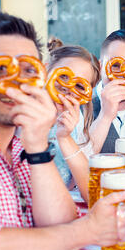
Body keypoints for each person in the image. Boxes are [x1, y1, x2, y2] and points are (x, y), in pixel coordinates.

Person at [0, 12, 125, 250]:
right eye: (2, 70)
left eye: (28, 70)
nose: (16, 82)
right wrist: (90, 229)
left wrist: (37, 146)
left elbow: (61, 223)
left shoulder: (21, 144)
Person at [46, 37, 100, 203]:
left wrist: (65, 137)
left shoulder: (77, 121)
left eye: (79, 86)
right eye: (64, 76)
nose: (67, 88)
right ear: (46, 69)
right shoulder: (18, 114)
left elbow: (92, 194)